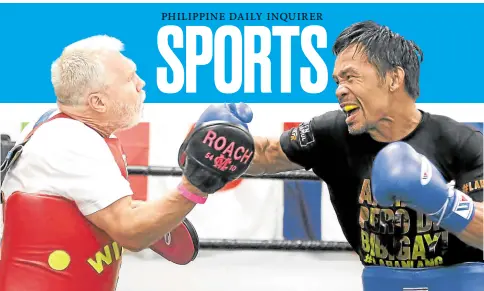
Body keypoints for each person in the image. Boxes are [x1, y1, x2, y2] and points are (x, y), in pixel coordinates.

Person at [198, 21, 484, 290]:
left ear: (394, 78)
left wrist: (440, 201)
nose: (339, 90)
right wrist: (218, 139)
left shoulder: (460, 143)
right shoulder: (331, 133)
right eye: (337, 80)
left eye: (350, 77)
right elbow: (267, 154)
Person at [0, 35, 254, 291]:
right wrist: (196, 185)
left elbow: (88, 207)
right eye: (129, 78)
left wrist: (151, 213)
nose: (141, 83)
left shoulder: (60, 122)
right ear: (97, 102)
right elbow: (130, 232)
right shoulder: (72, 140)